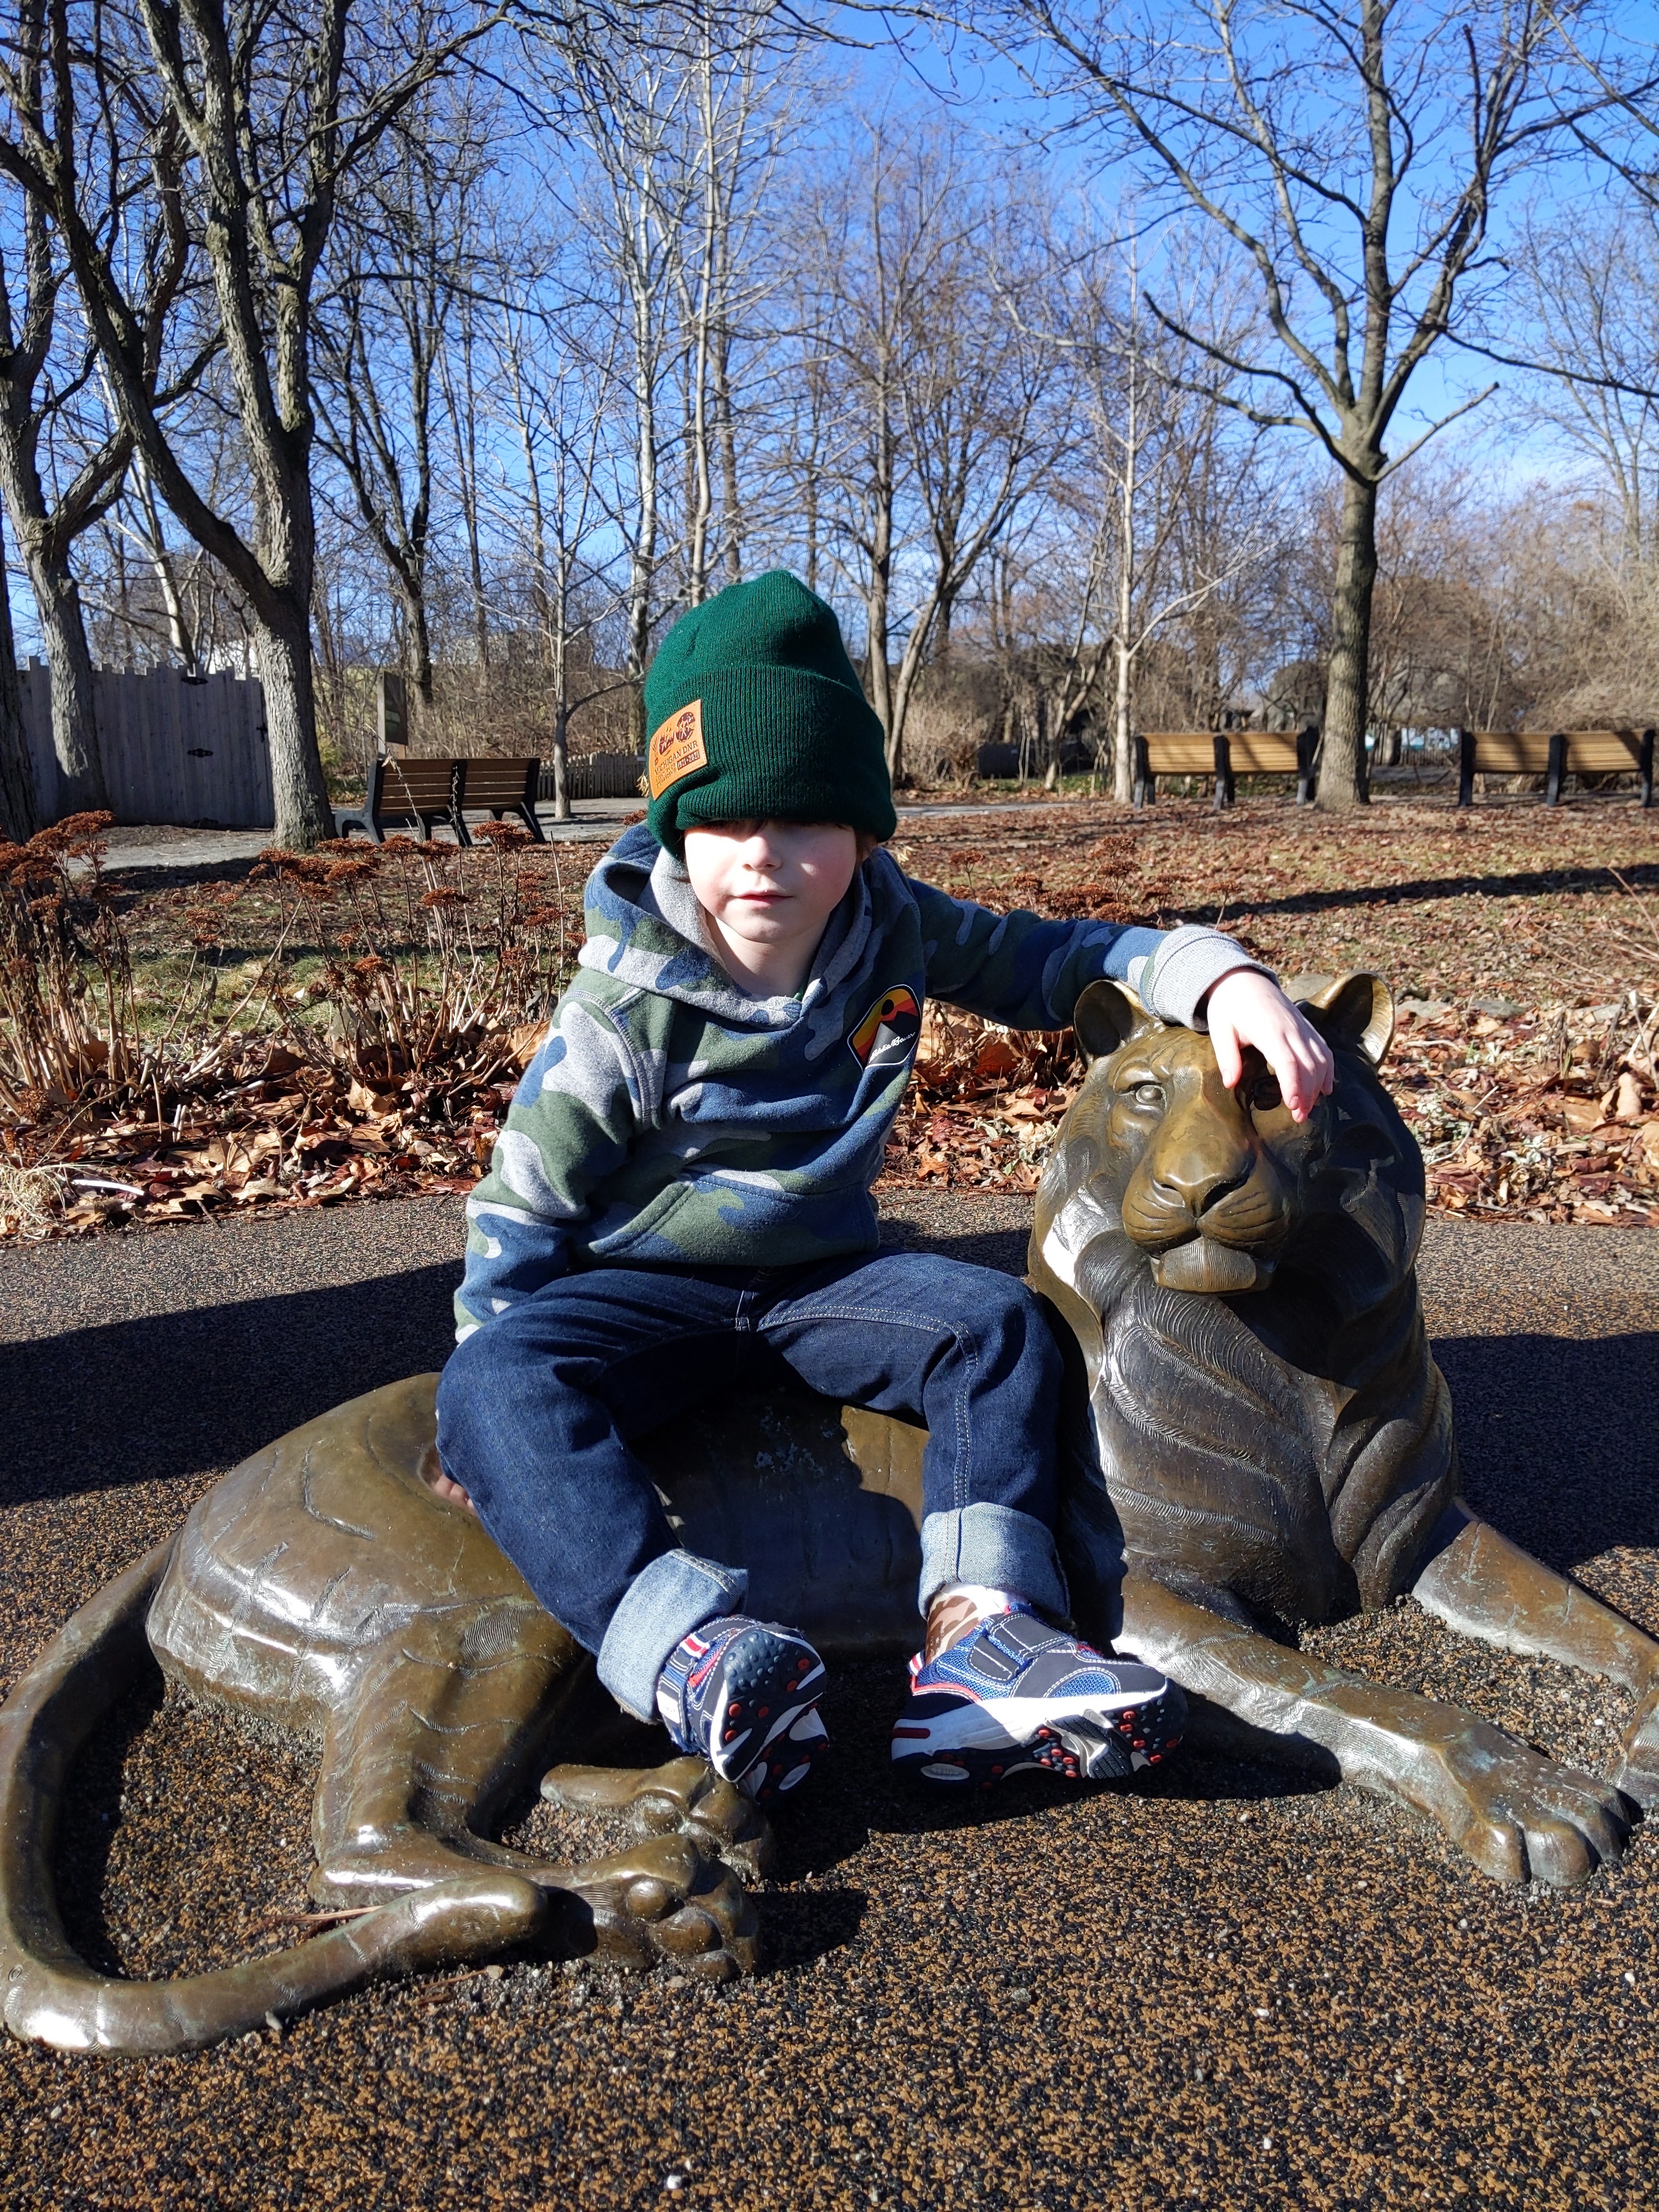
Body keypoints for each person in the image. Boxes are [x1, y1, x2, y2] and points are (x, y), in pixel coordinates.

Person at [433, 571, 1334, 1805]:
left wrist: (1221, 977)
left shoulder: (891, 925)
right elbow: (523, 1200)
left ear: (863, 834)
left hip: (816, 1283)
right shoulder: (621, 1009)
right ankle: (688, 1655)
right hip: (641, 1291)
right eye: (727, 821)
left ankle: (979, 1641)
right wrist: (487, 1374)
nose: (764, 854)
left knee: (997, 1326)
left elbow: (1050, 957)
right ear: (677, 829)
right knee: (493, 1382)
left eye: (808, 819)